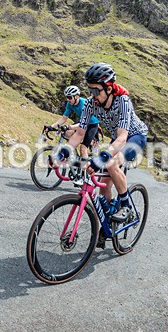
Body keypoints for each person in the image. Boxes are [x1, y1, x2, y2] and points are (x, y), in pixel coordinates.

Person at [58, 62, 148, 224]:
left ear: (108, 88)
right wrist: (63, 152)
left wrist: (102, 158)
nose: (92, 95)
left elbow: (122, 137)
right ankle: (108, 227)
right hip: (117, 137)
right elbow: (80, 133)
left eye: (96, 91)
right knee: (104, 187)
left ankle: (126, 206)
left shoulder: (123, 101)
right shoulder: (90, 104)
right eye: (89, 90)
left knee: (111, 164)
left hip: (134, 136)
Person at [45, 85, 100, 158]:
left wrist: (68, 127)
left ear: (76, 97)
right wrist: (51, 127)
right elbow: (64, 118)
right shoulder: (69, 104)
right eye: (67, 97)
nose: (68, 99)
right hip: (82, 122)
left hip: (92, 125)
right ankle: (73, 155)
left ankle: (86, 163)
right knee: (67, 133)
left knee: (83, 149)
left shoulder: (84, 104)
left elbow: (83, 124)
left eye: (70, 97)